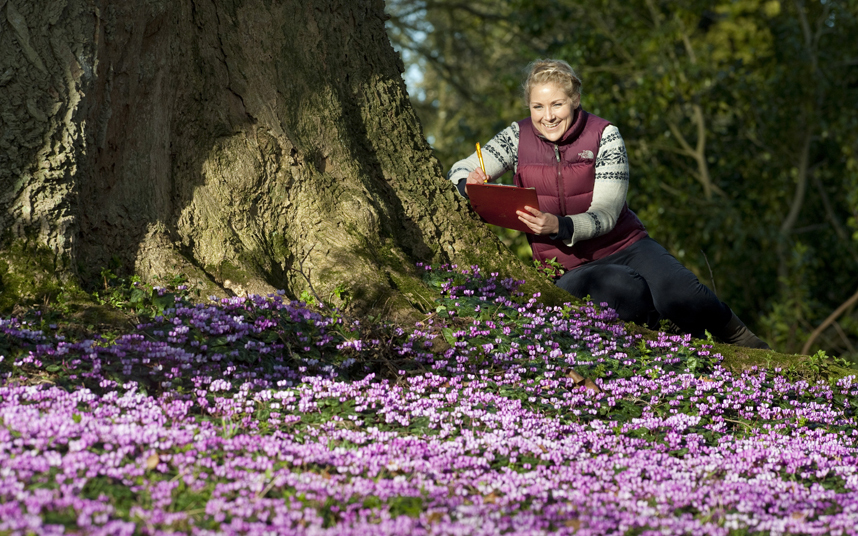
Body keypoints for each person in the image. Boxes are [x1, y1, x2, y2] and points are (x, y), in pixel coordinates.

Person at [447, 59, 769, 349]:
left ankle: (737, 335)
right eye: (537, 107)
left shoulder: (605, 134)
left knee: (680, 291)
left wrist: (558, 225)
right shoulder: (517, 136)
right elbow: (458, 170)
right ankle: (679, 341)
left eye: (556, 104)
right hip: (569, 268)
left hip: (626, 244)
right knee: (622, 289)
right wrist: (468, 184)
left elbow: (606, 213)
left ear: (575, 100)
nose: (547, 116)